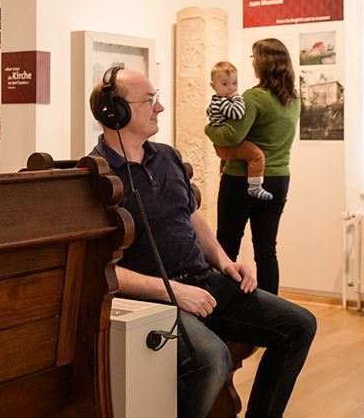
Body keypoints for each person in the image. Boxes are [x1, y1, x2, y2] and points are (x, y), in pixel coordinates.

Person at [89, 67, 315, 418]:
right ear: (114, 112)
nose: (160, 107)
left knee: (300, 325)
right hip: (153, 298)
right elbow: (102, 270)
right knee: (212, 358)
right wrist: (175, 293)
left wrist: (225, 262)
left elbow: (192, 218)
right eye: (149, 101)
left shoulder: (167, 156)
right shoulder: (96, 176)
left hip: (204, 281)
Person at [205, 39, 301, 295]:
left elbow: (230, 136)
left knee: (226, 246)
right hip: (278, 179)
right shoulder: (293, 99)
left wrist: (208, 129)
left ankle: (224, 307)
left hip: (241, 179)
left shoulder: (253, 97)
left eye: (254, 57)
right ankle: (271, 310)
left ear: (264, 62)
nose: (252, 63)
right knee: (266, 250)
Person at [207, 61, 273, 200]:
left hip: (222, 145)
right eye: (225, 84)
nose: (231, 88)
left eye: (234, 83)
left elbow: (209, 113)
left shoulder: (216, 100)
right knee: (257, 156)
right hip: (228, 145)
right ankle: (255, 187)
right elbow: (237, 113)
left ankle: (223, 175)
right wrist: (237, 97)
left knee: (227, 161)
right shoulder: (222, 102)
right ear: (213, 86)